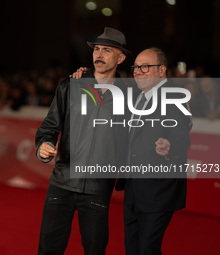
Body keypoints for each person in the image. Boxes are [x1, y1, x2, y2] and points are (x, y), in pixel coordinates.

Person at [73, 47, 191, 255]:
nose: (138, 71)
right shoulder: (137, 94)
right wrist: (88, 75)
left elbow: (182, 134)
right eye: (136, 67)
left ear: (161, 70)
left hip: (159, 188)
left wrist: (170, 145)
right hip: (133, 187)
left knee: (147, 248)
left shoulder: (174, 97)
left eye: (145, 67)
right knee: (133, 247)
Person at [35, 27, 130, 255]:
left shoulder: (129, 97)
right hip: (61, 183)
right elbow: (48, 128)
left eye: (107, 50)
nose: (99, 54)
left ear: (121, 57)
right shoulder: (69, 86)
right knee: (49, 250)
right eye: (97, 49)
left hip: (98, 189)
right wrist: (43, 146)